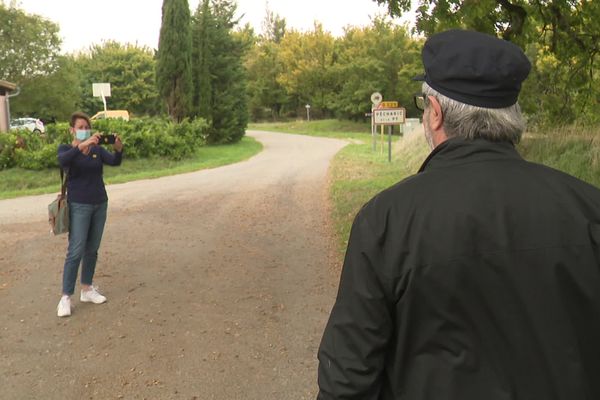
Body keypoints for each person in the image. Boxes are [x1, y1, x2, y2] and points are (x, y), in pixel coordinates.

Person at [316, 29, 600, 400]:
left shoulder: (387, 220)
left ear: (435, 114)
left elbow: (349, 375)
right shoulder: (588, 206)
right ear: (512, 116)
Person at [56, 111, 123, 317]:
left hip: (99, 203)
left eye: (87, 127)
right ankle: (66, 296)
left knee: (92, 249)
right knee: (75, 250)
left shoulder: (97, 149)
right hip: (79, 205)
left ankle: (87, 288)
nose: (85, 131)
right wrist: (81, 146)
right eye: (81, 127)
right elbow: (62, 160)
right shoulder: (67, 149)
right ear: (72, 130)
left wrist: (118, 150)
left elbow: (114, 161)